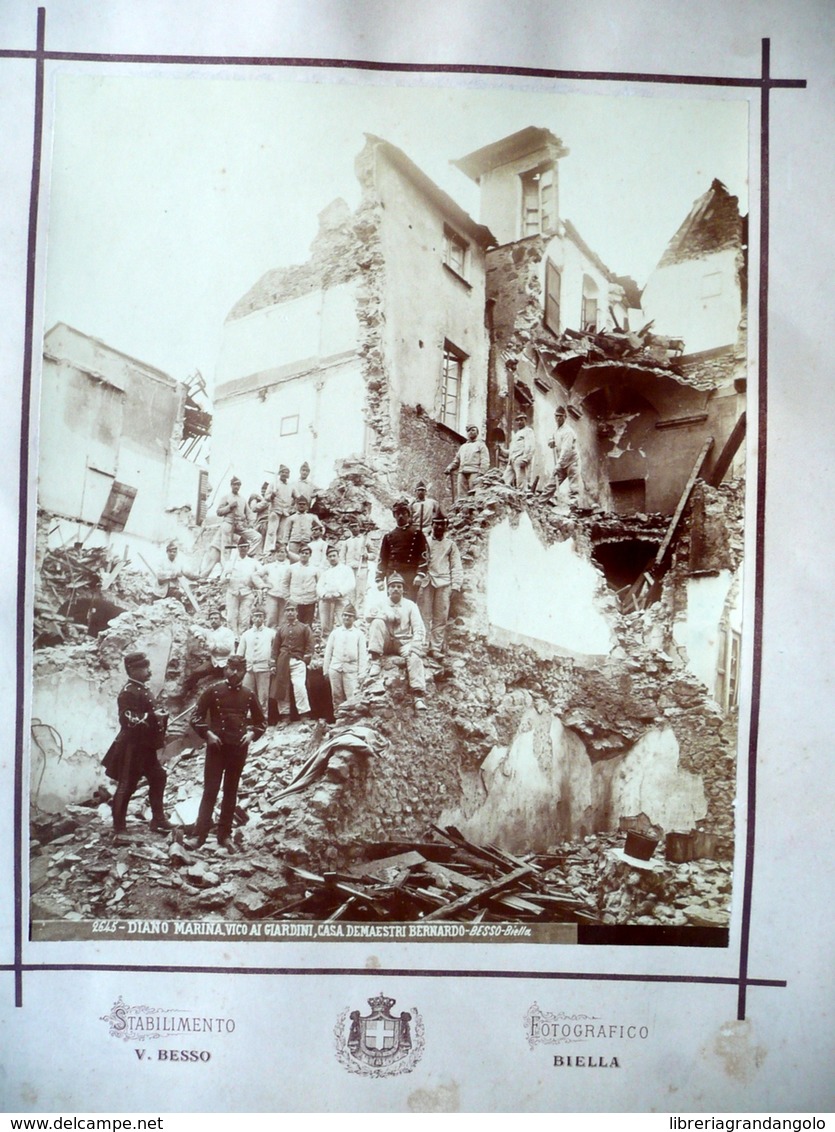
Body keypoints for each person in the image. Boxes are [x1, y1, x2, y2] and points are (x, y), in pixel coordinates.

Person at [189, 655, 266, 850]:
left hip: (238, 749)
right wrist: (207, 734)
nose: (233, 673)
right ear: (225, 669)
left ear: (244, 672)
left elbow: (261, 722)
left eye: (238, 669)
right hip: (217, 748)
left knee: (231, 792)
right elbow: (195, 717)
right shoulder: (212, 691)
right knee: (210, 791)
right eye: (230, 668)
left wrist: (251, 735)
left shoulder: (249, 695)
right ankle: (199, 836)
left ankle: (224, 836)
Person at [106, 651, 171, 839]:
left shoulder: (143, 689)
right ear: (132, 670)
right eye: (144, 668)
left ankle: (158, 819)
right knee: (127, 785)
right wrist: (152, 716)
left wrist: (159, 715)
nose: (148, 671)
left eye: (148, 667)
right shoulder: (127, 693)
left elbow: (148, 713)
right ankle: (119, 828)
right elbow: (127, 720)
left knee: (158, 776)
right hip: (132, 747)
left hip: (146, 746)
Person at [366, 573, 427, 711]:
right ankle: (375, 660)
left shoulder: (410, 605)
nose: (395, 589)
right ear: (388, 589)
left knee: (415, 657)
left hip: (403, 642)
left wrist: (413, 645)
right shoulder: (381, 604)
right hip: (386, 642)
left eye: (399, 586)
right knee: (377, 622)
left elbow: (419, 628)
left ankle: (418, 696)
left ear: (403, 589)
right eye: (392, 586)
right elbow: (368, 617)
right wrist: (386, 615)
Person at [417, 514, 463, 658]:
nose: (438, 527)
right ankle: (423, 645)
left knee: (441, 616)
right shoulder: (425, 542)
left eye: (441, 525)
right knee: (424, 614)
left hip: (444, 583)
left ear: (446, 526)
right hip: (428, 581)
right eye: (436, 524)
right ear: (432, 525)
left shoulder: (451, 545)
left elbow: (456, 566)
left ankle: (435, 648)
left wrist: (456, 585)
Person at [201, 475, 258, 577]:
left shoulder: (242, 499)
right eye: (235, 485)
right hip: (228, 524)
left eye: (239, 485)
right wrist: (229, 507)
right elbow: (219, 512)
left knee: (257, 537)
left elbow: (249, 514)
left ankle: (246, 555)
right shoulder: (226, 497)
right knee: (226, 549)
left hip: (240, 526)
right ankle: (225, 572)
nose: (237, 487)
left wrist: (250, 524)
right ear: (231, 485)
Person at [376, 499, 428, 601]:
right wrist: (380, 579)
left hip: (410, 575)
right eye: (398, 513)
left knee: (409, 605)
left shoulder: (417, 534)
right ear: (394, 516)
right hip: (393, 574)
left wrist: (420, 574)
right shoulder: (388, 536)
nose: (400, 516)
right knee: (393, 604)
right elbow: (383, 558)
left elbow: (424, 555)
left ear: (408, 515)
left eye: (403, 513)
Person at [271, 602, 314, 720]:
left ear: (297, 612)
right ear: (285, 613)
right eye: (288, 610)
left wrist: (305, 660)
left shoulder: (304, 627)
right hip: (282, 661)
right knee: (282, 688)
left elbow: (310, 645)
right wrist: (273, 664)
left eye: (292, 610)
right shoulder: (280, 629)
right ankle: (284, 716)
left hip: (297, 660)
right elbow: (275, 648)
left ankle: (304, 714)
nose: (290, 612)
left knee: (299, 686)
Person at [182, 609, 236, 697]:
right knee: (196, 672)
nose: (213, 620)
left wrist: (213, 646)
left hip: (226, 663)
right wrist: (199, 635)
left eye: (216, 618)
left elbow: (228, 648)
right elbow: (193, 627)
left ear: (221, 620)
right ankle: (187, 694)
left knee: (230, 683)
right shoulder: (208, 632)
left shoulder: (227, 632)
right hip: (214, 662)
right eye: (211, 619)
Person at [322, 603, 368, 708]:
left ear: (354, 618)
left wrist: (361, 673)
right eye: (345, 615)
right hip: (335, 668)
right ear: (342, 616)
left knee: (352, 696)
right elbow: (328, 652)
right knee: (336, 696)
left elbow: (362, 655)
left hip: (351, 670)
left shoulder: (359, 634)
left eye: (350, 616)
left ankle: (350, 721)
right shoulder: (335, 633)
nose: (347, 618)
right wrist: (326, 670)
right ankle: (339, 719)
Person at [223, 540, 266, 639]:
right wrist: (225, 578)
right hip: (232, 592)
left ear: (248, 548)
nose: (243, 549)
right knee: (231, 617)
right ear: (238, 548)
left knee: (245, 618)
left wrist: (258, 584)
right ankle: (232, 638)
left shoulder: (253, 562)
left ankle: (242, 638)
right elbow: (222, 577)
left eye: (245, 547)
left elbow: (262, 574)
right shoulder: (231, 562)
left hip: (247, 593)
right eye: (241, 547)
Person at [236, 607, 275, 712]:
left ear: (264, 618)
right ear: (252, 618)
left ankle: (263, 719)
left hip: (264, 668)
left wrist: (273, 664)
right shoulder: (246, 634)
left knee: (263, 695)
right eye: (256, 616)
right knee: (246, 693)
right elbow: (240, 654)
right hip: (249, 669)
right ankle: (247, 719)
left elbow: (275, 651)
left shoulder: (271, 633)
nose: (258, 619)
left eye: (260, 616)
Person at [316, 545, 356, 635]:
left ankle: (345, 640)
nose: (332, 558)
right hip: (326, 600)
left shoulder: (346, 569)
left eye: (334, 556)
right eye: (330, 556)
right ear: (327, 558)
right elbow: (319, 586)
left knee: (344, 621)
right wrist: (324, 594)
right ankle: (325, 642)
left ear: (338, 556)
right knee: (325, 625)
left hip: (341, 599)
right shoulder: (326, 572)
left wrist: (339, 593)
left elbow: (351, 584)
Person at [548, 405, 580, 502]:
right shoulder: (557, 430)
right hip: (562, 462)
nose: (558, 418)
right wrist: (551, 441)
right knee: (551, 483)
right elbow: (552, 438)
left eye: (560, 416)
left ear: (565, 417)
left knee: (574, 487)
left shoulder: (568, 431)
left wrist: (558, 464)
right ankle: (540, 502)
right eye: (556, 416)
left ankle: (573, 508)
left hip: (571, 462)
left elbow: (566, 450)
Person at [446, 425, 490, 495]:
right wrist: (450, 467)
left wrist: (481, 473)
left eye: (473, 430)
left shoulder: (481, 445)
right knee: (461, 494)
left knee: (474, 494)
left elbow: (485, 460)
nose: (471, 432)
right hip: (462, 472)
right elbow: (457, 461)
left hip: (474, 472)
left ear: (477, 433)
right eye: (469, 431)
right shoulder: (463, 447)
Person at [286, 543, 319, 625]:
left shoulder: (315, 568)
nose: (304, 555)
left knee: (307, 625)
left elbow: (319, 584)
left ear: (310, 555)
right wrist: (287, 597)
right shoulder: (291, 568)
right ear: (299, 554)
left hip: (310, 600)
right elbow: (285, 583)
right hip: (295, 600)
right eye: (302, 553)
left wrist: (317, 597)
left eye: (306, 553)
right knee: (296, 624)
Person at [502, 412, 536, 490]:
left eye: (521, 420)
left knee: (521, 483)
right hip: (512, 461)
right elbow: (512, 450)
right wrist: (502, 449)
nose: (519, 422)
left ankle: (523, 498)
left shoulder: (528, 431)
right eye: (518, 420)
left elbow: (531, 446)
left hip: (520, 459)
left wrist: (526, 459)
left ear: (525, 421)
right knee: (504, 480)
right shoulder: (517, 434)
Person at [263, 543, 292, 628]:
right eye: (278, 552)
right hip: (272, 594)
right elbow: (255, 575)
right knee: (271, 616)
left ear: (286, 554)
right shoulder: (269, 566)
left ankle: (282, 638)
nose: (280, 554)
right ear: (275, 554)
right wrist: (263, 585)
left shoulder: (290, 567)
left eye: (282, 552)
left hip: (285, 596)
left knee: (284, 619)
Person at [265, 465, 293, 553]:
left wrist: (293, 507)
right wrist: (271, 496)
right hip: (275, 511)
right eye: (283, 472)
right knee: (271, 532)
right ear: (279, 473)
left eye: (287, 472)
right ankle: (268, 551)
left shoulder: (291, 486)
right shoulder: (274, 484)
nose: (285, 474)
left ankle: (279, 551)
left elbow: (298, 497)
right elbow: (266, 497)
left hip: (285, 512)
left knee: (282, 534)